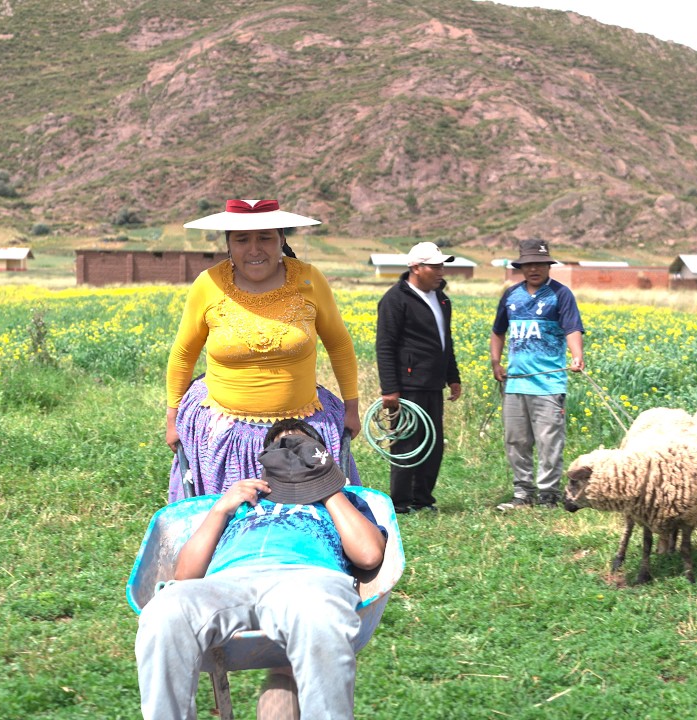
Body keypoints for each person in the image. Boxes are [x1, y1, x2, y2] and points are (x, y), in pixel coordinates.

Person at [135, 434, 387, 720]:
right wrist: (221, 509)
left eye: (303, 452)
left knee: (323, 616)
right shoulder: (241, 501)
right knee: (164, 611)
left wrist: (327, 490)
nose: (293, 458)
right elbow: (185, 575)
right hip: (228, 581)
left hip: (307, 580)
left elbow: (368, 555)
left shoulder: (343, 501)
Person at [165, 199, 361, 502]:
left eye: (265, 237)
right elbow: (183, 353)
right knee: (226, 526)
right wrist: (172, 418)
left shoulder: (310, 280)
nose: (254, 249)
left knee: (307, 527)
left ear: (282, 239)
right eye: (242, 239)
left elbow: (339, 344)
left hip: (300, 433)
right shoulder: (208, 284)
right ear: (229, 244)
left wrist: (351, 407)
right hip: (223, 436)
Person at [490, 239, 585, 510]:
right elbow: (498, 332)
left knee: (549, 442)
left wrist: (577, 356)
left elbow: (571, 329)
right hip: (516, 384)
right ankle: (523, 492)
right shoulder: (511, 296)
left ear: (548, 266)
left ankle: (548, 494)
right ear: (521, 267)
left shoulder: (561, 294)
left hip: (548, 384)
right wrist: (496, 362)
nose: (534, 269)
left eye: (540, 264)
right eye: (529, 264)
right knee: (516, 440)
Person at [374, 241, 462, 514]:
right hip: (407, 386)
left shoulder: (442, 299)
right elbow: (385, 345)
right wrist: (390, 389)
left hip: (433, 384)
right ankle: (401, 503)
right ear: (416, 268)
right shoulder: (395, 299)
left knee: (432, 445)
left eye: (441, 266)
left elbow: (445, 342)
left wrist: (453, 376)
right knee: (406, 444)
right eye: (435, 267)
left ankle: (424, 499)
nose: (440, 272)